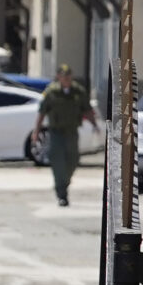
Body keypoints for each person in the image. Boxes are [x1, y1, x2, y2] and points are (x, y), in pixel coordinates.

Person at [39, 65, 95, 207]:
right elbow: (42, 112)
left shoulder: (78, 92)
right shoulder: (51, 92)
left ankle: (64, 183)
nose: (66, 79)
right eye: (64, 76)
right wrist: (36, 131)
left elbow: (87, 110)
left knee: (73, 160)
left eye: (69, 76)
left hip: (72, 132)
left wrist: (95, 124)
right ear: (59, 77)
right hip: (56, 133)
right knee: (58, 162)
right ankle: (61, 193)